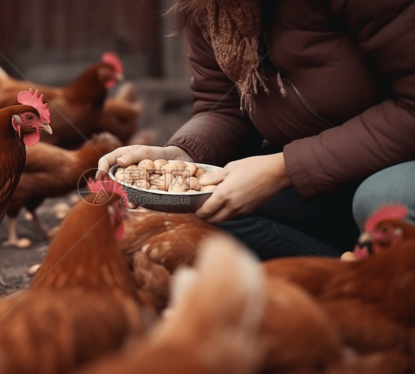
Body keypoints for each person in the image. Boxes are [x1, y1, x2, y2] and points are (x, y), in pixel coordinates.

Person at [98, 0, 415, 260]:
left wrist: (283, 168)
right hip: (328, 175)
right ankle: (355, 293)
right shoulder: (212, 9)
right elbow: (223, 107)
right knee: (205, 209)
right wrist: (182, 153)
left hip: (398, 163)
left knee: (383, 199)